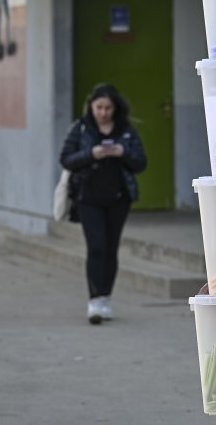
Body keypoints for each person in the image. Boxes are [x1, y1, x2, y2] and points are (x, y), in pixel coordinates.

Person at [60, 83, 146, 325]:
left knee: (110, 248)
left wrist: (122, 152)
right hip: (88, 199)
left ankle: (106, 296)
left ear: (115, 108)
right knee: (96, 247)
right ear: (91, 106)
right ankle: (95, 300)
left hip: (119, 199)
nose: (103, 112)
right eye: (99, 107)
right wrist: (92, 154)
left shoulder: (125, 131)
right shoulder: (81, 128)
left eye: (108, 108)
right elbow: (65, 158)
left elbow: (140, 162)